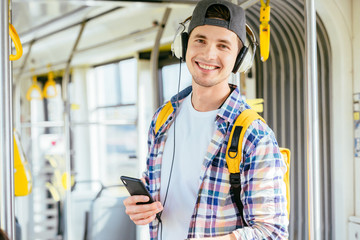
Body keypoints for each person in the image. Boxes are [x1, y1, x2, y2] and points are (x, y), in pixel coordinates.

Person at [123, 0, 289, 239]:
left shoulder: (254, 135)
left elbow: (271, 232)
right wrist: (139, 207)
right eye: (200, 40)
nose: (209, 54)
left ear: (239, 59)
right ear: (184, 45)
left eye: (223, 46)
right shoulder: (162, 119)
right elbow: (154, 192)